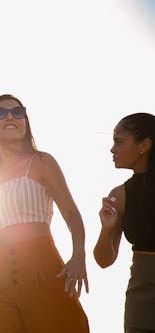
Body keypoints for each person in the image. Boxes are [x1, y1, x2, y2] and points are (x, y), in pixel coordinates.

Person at [0, 94, 89, 333]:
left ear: (25, 121)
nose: (11, 116)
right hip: (1, 279)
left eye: (18, 112)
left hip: (42, 271)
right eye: (1, 112)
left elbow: (72, 214)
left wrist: (79, 256)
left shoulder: (42, 162)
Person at [94, 113, 155, 333]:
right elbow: (104, 260)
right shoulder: (119, 196)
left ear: (144, 145)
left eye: (119, 142)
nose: (112, 150)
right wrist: (106, 229)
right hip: (141, 296)